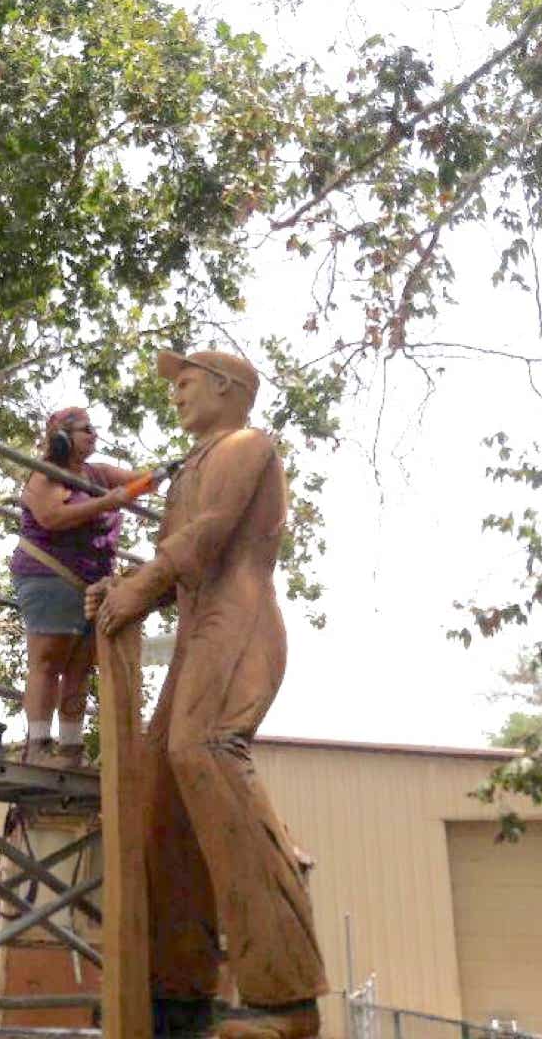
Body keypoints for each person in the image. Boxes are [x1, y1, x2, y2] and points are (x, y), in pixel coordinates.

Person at [87, 350, 328, 1039]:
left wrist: (141, 585)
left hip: (238, 622)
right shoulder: (188, 468)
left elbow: (208, 535)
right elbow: (174, 565)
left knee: (206, 752)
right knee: (158, 785)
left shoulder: (247, 445)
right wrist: (123, 588)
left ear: (226, 388)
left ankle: (285, 998)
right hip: (198, 627)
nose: (176, 396)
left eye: (186, 383)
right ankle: (176, 991)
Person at [10, 406, 142, 766]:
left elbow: (141, 480)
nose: (94, 434)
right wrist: (107, 501)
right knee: (48, 659)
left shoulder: (98, 473)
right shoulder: (45, 475)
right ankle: (38, 745)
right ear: (63, 437)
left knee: (80, 666)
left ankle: (71, 748)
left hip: (92, 584)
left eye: (94, 429)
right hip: (49, 575)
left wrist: (172, 471)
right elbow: (51, 517)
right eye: (86, 429)